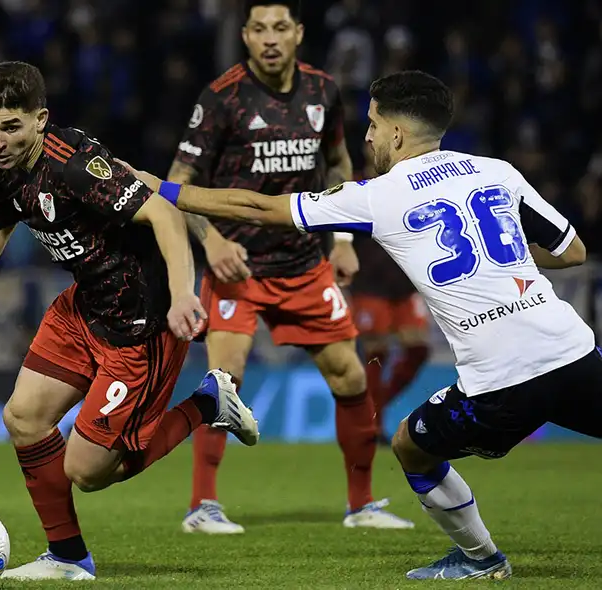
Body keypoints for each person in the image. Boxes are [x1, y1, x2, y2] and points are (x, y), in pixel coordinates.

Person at [122, 69, 599, 580]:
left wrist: (162, 188)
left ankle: (481, 558)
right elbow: (572, 251)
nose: (367, 137)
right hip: (574, 352)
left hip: (501, 382)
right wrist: (503, 261)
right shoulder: (498, 171)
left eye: (373, 125)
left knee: (410, 446)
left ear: (397, 133)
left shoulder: (379, 195)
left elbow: (258, 207)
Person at [0, 61, 259, 582]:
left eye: (11, 127)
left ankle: (207, 403)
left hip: (139, 326)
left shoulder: (75, 165)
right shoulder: (4, 173)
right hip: (83, 307)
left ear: (40, 120)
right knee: (23, 418)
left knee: (87, 471)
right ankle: (67, 557)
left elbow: (165, 214)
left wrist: (181, 295)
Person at [168, 0, 411, 531]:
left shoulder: (323, 91)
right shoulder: (222, 97)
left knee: (351, 376)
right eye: (259, 29)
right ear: (246, 36)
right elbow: (177, 184)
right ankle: (202, 507)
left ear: (298, 32)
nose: (270, 38)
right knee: (224, 382)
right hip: (238, 265)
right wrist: (212, 241)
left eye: (280, 27)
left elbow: (340, 164)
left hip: (304, 264)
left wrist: (342, 239)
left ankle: (362, 505)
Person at [350, 147, 431, 443]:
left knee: (418, 349)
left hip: (405, 280)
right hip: (370, 281)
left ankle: (375, 409)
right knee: (376, 353)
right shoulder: (354, 186)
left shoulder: (410, 183)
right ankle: (372, 428)